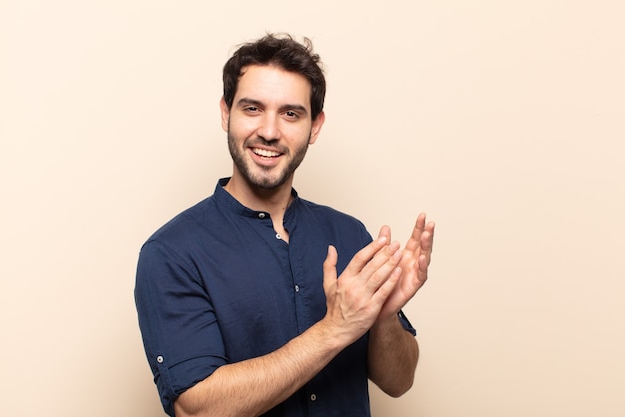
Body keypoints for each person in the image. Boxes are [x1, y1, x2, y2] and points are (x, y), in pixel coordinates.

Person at [135, 33, 435, 417]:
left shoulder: (350, 235)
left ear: (315, 126)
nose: (270, 131)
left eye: (291, 113)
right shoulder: (172, 254)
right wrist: (335, 330)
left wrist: (384, 317)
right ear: (226, 113)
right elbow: (198, 409)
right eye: (252, 108)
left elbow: (399, 381)